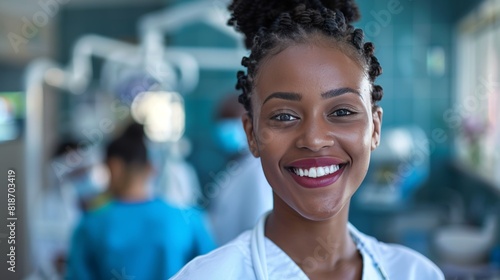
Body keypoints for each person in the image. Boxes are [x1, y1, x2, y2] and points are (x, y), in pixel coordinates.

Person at [171, 0, 444, 279]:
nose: (314, 139)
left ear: (374, 129)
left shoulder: (416, 273)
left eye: (341, 111)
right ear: (252, 135)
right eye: (284, 116)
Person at [66, 122, 216, 280]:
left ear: (114, 167)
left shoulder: (92, 225)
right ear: (151, 168)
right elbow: (215, 271)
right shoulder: (189, 219)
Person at [209, 94, 273, 245]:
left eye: (231, 122)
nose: (225, 131)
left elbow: (258, 223)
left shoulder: (258, 170)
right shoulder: (235, 169)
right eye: (221, 123)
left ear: (249, 126)